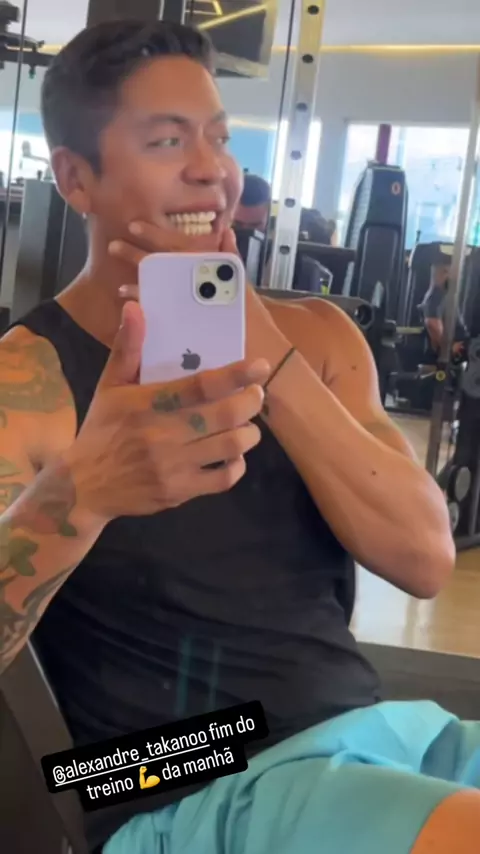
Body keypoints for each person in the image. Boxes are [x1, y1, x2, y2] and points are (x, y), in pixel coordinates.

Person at [0, 19, 477, 854]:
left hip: (366, 735)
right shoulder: (22, 384)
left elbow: (424, 560)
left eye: (218, 137)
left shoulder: (319, 340)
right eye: (166, 140)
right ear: (75, 178)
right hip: (161, 778)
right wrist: (83, 493)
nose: (210, 169)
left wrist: (262, 348)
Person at [420, 252, 469, 361]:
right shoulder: (436, 296)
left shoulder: (446, 295)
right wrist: (449, 349)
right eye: (446, 272)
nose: (450, 275)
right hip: (450, 356)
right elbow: (432, 323)